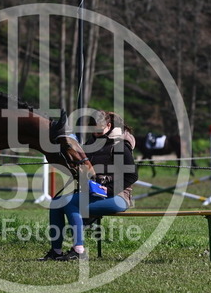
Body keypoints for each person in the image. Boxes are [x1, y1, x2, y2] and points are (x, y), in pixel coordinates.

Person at [39, 111, 138, 261]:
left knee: (71, 203)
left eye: (99, 131)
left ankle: (79, 250)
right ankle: (56, 251)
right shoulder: (90, 144)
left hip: (118, 197)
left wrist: (109, 189)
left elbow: (132, 176)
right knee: (56, 203)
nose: (96, 134)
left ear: (109, 125)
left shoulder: (120, 145)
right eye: (93, 131)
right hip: (94, 193)